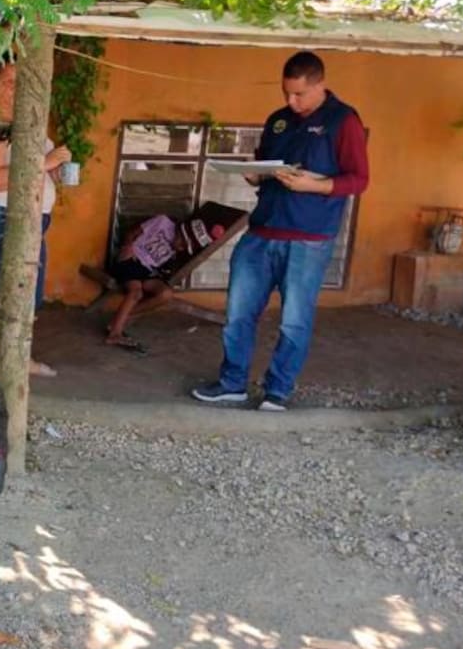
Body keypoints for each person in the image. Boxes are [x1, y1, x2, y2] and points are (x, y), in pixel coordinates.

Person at [192, 51, 369, 412]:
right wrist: (253, 174)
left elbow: (359, 180)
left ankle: (277, 391)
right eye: (286, 92)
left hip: (308, 238)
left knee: (294, 321)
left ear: (319, 84)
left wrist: (313, 186)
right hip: (262, 230)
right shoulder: (278, 120)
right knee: (238, 313)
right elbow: (266, 167)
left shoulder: (343, 121)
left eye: (299, 94)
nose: (291, 101)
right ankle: (232, 384)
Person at [0, 55, 71, 378]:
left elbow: (28, 167)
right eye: (9, 82)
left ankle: (16, 361)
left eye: (21, 81)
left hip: (26, 220)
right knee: (2, 298)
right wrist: (46, 162)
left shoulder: (21, 119)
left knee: (26, 298)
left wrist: (53, 171)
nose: (17, 89)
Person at [104, 214, 184, 352]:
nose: (181, 248)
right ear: (181, 233)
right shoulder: (163, 222)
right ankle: (114, 334)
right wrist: (127, 247)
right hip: (131, 260)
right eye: (182, 244)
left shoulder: (179, 249)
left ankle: (121, 319)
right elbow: (132, 233)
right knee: (136, 293)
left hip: (147, 270)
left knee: (166, 294)